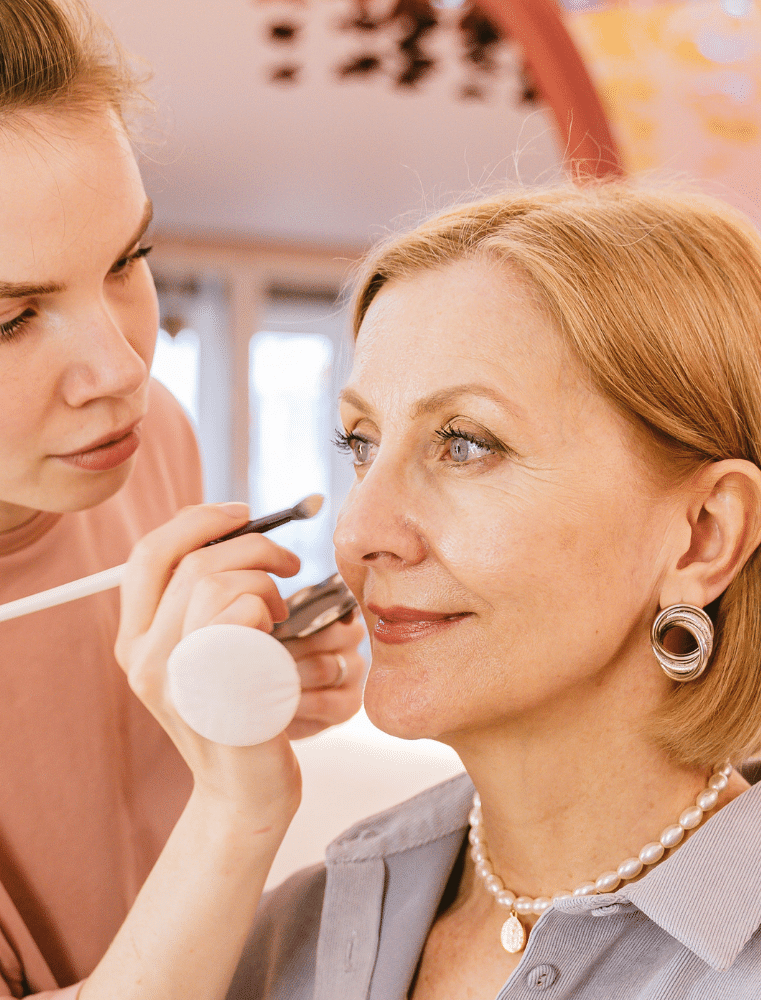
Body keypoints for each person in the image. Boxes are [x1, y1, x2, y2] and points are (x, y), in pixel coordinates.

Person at [0, 1, 365, 997]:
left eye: (128, 261)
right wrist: (236, 806)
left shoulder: (143, 438)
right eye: (6, 321)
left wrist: (241, 688)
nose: (125, 364)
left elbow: (117, 809)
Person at [223, 183, 761, 999]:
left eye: (466, 445)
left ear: (703, 535)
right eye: (361, 444)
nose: (359, 531)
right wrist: (229, 814)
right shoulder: (296, 932)